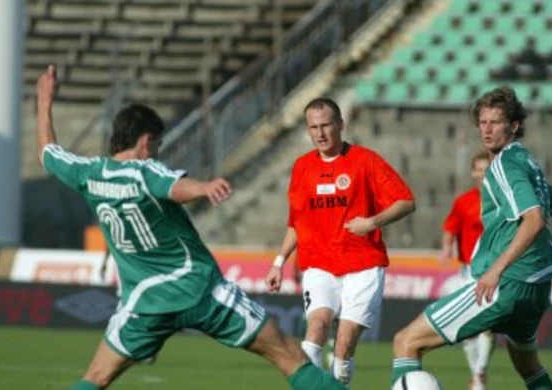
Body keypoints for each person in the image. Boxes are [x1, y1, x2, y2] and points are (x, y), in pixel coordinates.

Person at [35, 65, 347, 390]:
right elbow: (173, 187)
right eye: (156, 145)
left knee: (95, 378)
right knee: (289, 357)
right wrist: (204, 187)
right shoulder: (144, 170)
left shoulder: (89, 173)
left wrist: (44, 102)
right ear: (145, 141)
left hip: (144, 304)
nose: (157, 152)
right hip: (201, 291)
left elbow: (47, 154)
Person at [390, 86, 552, 390]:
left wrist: (496, 270)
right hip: (537, 290)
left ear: (514, 125)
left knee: (405, 342)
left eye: (496, 122)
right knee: (529, 368)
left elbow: (535, 220)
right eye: (483, 122)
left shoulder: (503, 165)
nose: (487, 129)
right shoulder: (530, 164)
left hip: (507, 285)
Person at [265, 97, 416, 385]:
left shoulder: (366, 161)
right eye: (313, 127)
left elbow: (406, 202)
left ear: (340, 125)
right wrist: (278, 262)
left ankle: (340, 383)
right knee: (317, 327)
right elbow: (296, 222)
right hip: (320, 265)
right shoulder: (302, 168)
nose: (320, 134)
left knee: (344, 343)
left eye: (326, 126)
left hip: (363, 265)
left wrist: (372, 222)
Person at [439, 150, 494, 390]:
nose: (482, 174)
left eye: (486, 169)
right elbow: (450, 227)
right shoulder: (463, 201)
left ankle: (480, 372)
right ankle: (476, 374)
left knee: (488, 325)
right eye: (479, 169)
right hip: (468, 271)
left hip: (495, 270)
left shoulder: (504, 199)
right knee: (468, 328)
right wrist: (446, 248)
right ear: (473, 172)